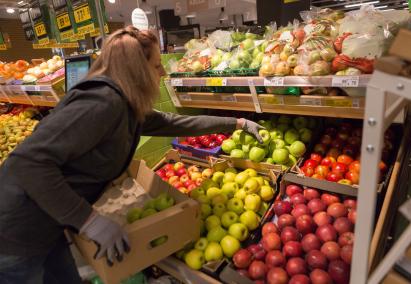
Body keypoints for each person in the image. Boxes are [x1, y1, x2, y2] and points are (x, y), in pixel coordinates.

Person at [0, 26, 263, 284]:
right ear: (137, 70)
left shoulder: (124, 102)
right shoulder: (102, 102)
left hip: (50, 222)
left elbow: (173, 123)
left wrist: (236, 123)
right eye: (156, 65)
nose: (161, 71)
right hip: (17, 231)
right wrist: (89, 221)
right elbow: (28, 163)